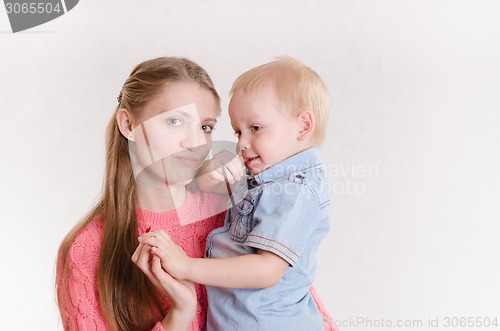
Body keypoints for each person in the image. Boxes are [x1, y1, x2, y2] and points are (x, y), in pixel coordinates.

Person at [56, 56, 335, 331]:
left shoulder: (233, 211)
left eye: (205, 127)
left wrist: (209, 187)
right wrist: (179, 315)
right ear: (129, 125)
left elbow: (292, 299)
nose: (196, 142)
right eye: (175, 121)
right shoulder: (87, 249)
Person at [139, 57, 337, 330]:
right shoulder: (268, 179)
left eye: (255, 128)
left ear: (303, 126)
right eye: (237, 132)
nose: (242, 143)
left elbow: (267, 270)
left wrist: (186, 266)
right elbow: (223, 193)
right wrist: (209, 175)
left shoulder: (294, 189)